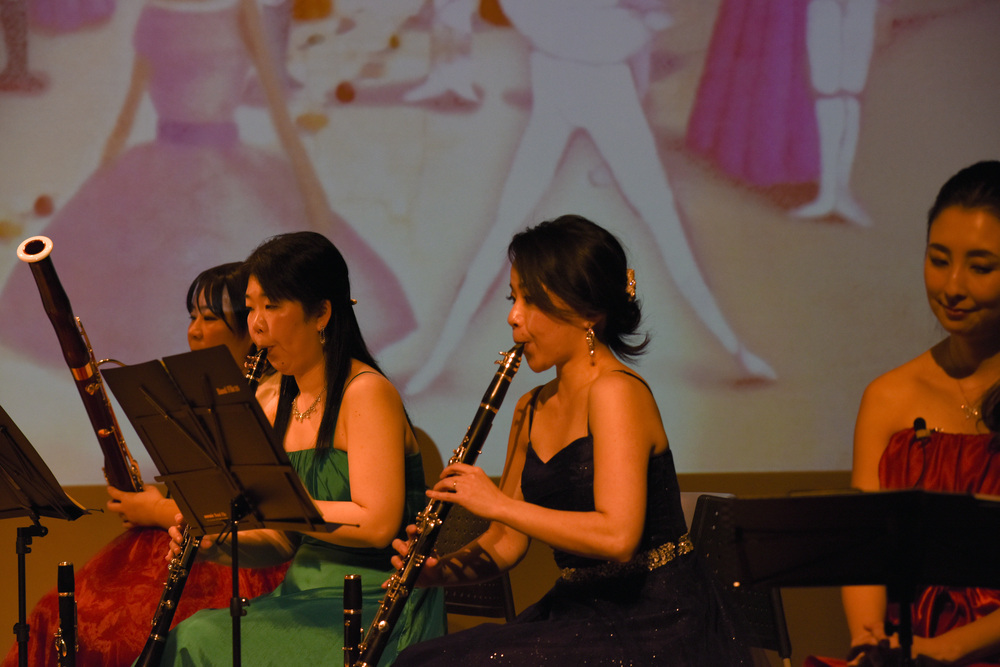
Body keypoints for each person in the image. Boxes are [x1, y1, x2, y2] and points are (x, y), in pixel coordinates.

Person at [392, 214, 752, 665]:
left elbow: (618, 537)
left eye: (531, 301)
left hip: (655, 618)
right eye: (514, 298)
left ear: (588, 313)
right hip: (579, 609)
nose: (513, 317)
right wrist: (436, 573)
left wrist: (497, 503)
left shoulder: (616, 393)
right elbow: (506, 542)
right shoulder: (529, 406)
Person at [156, 231, 446, 666]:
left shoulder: (365, 391)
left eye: (272, 306)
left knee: (196, 640)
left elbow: (377, 524)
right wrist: (215, 542)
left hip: (375, 603)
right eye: (251, 308)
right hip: (301, 596)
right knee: (189, 635)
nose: (256, 325)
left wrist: (278, 504)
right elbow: (282, 539)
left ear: (321, 313)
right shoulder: (272, 399)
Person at [2, 262, 288, 667]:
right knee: (54, 614)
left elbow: (249, 515)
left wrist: (156, 510)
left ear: (252, 328)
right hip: (187, 540)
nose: (194, 331)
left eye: (210, 318)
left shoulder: (274, 399)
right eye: (192, 317)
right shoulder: (203, 392)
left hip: (246, 560)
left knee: (110, 630)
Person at [805, 161, 1000, 667]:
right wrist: (869, 643)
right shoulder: (889, 396)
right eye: (938, 260)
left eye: (981, 268)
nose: (952, 286)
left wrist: (946, 650)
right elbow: (865, 549)